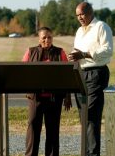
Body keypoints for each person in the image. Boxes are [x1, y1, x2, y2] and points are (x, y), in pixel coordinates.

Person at [67, 2, 113, 156]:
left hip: (96, 73)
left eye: (82, 14)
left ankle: (92, 153)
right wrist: (74, 57)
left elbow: (107, 50)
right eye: (77, 15)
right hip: (80, 73)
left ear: (90, 12)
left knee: (91, 114)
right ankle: (86, 152)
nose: (80, 17)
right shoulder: (79, 31)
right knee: (84, 116)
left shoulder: (101, 27)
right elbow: (77, 52)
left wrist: (85, 54)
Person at [23, 26, 72, 156]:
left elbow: (67, 75)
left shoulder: (60, 52)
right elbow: (22, 72)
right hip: (35, 98)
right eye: (44, 37)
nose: (47, 40)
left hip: (54, 99)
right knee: (33, 128)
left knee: (53, 131)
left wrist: (68, 96)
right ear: (39, 39)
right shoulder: (30, 51)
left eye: (49, 37)